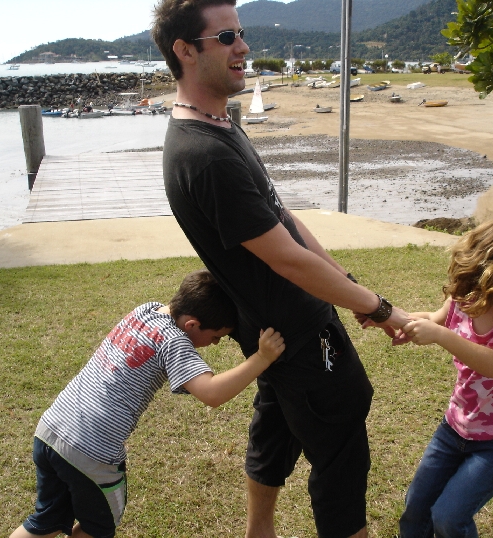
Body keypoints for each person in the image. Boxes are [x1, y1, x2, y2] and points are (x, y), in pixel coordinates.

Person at [151, 2, 409, 536]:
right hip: (297, 332)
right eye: (226, 36)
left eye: (241, 33)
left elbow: (282, 218)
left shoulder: (218, 126)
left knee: (275, 431)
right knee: (341, 454)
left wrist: (350, 288)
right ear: (185, 50)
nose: (243, 46)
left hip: (274, 328)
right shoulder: (204, 154)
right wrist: (381, 309)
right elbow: (285, 257)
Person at [9, 270, 285, 538]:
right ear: (191, 325)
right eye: (215, 337)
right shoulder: (174, 341)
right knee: (98, 527)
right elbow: (212, 393)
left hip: (50, 430)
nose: (214, 344)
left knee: (47, 519)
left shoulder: (146, 310)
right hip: (90, 451)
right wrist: (261, 358)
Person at [393, 214, 493, 538]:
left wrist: (440, 336)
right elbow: (434, 319)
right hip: (453, 428)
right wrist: (388, 316)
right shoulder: (464, 302)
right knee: (415, 510)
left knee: (449, 518)